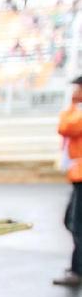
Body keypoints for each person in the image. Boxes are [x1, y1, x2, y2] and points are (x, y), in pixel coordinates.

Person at [55, 75, 82, 285]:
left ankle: (78, 271)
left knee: (77, 223)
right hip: (77, 175)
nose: (75, 91)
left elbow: (65, 127)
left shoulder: (79, 113)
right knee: (71, 221)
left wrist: (74, 105)